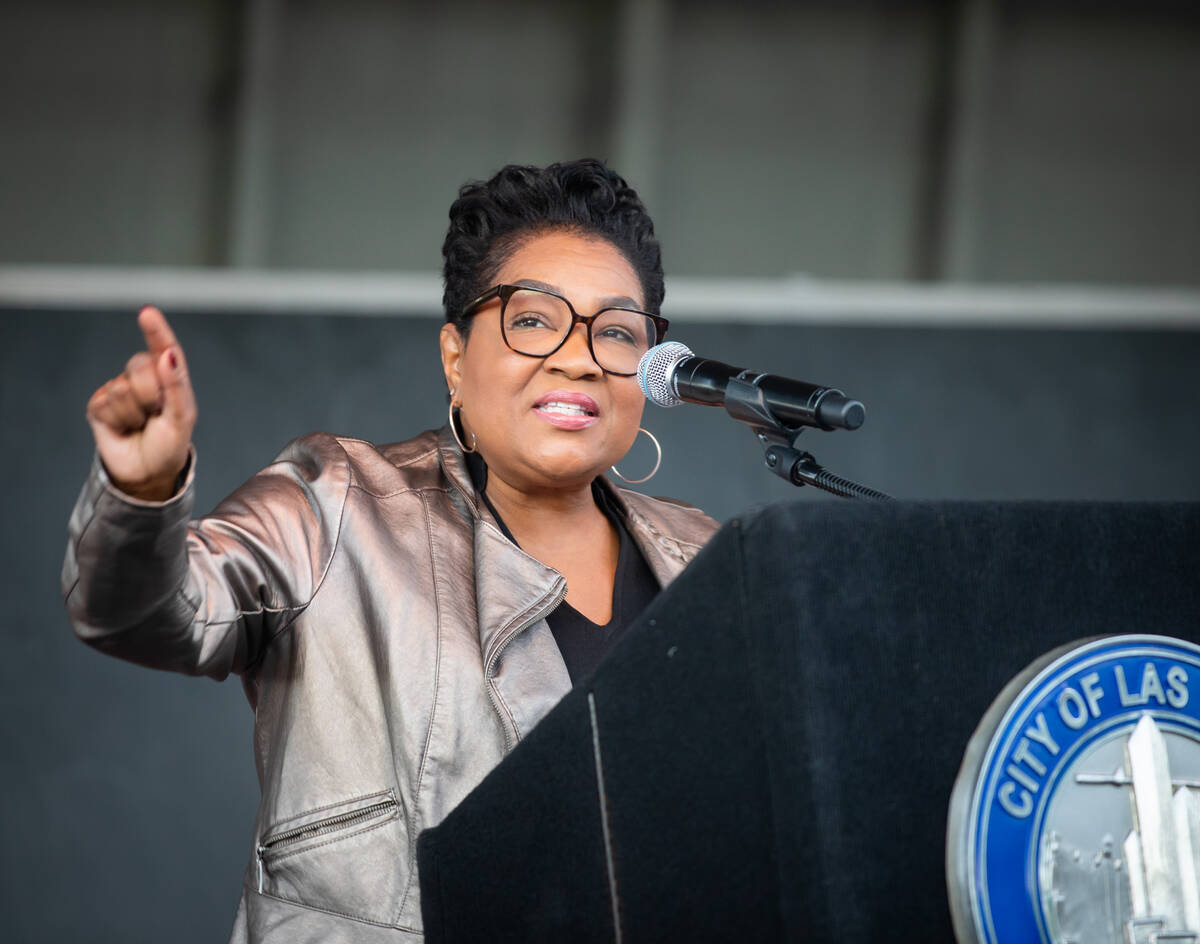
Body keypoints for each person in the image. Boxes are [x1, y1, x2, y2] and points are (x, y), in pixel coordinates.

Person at [62, 159, 720, 943]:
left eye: (616, 331)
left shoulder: (704, 555)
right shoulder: (338, 504)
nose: (578, 356)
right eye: (535, 319)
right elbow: (142, 612)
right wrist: (143, 492)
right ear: (455, 355)